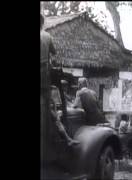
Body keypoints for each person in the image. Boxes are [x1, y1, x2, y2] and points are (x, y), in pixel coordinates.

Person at [41, 13, 78, 164]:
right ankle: (68, 139)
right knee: (52, 113)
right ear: (42, 23)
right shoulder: (47, 35)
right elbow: (54, 52)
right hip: (43, 73)